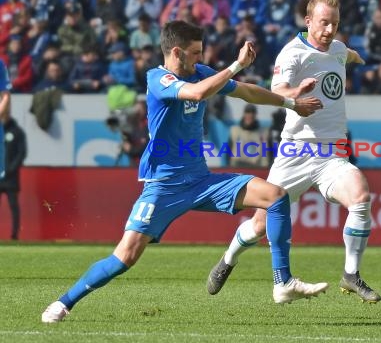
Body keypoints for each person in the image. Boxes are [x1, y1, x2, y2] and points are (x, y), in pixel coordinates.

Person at [41, 20, 326, 323]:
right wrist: (236, 65)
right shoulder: (157, 79)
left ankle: (283, 282)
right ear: (176, 52)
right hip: (164, 186)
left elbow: (246, 93)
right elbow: (196, 94)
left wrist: (291, 102)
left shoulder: (199, 72)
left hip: (201, 180)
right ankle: (63, 303)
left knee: (276, 196)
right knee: (124, 257)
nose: (200, 59)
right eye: (195, 53)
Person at [207, 0, 381, 304]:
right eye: (324, 23)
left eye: (335, 24)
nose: (329, 30)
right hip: (295, 153)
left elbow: (347, 54)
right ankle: (228, 259)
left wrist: (358, 58)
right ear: (308, 21)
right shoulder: (292, 54)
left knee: (361, 197)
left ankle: (351, 275)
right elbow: (277, 91)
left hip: (332, 154)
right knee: (260, 225)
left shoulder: (338, 49)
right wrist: (296, 92)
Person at [0, 108, 26, 240]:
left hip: (10, 178)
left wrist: (11, 168)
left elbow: (22, 153)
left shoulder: (17, 132)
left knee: (13, 206)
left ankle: (14, 235)